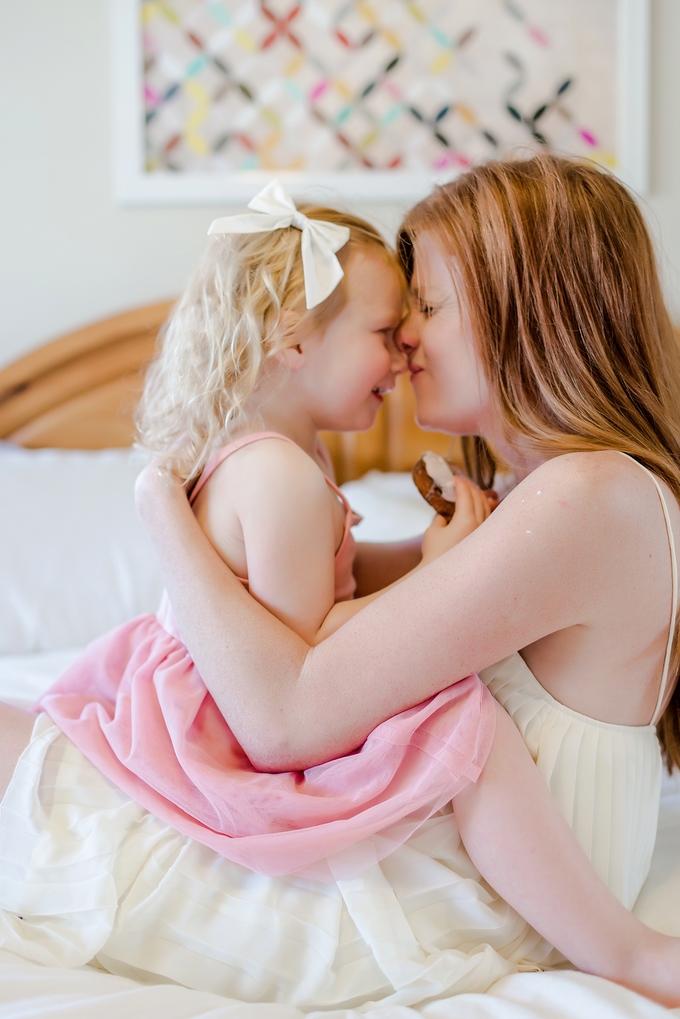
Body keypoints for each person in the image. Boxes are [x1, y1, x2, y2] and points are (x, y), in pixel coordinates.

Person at [0, 167, 678, 1007]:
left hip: (482, 897)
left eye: (426, 307)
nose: (406, 344)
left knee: (37, 771)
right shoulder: (568, 491)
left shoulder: (585, 499)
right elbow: (351, 617)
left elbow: (284, 717)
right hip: (459, 857)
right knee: (38, 751)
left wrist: (163, 513)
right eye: (393, 322)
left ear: (528, 308)